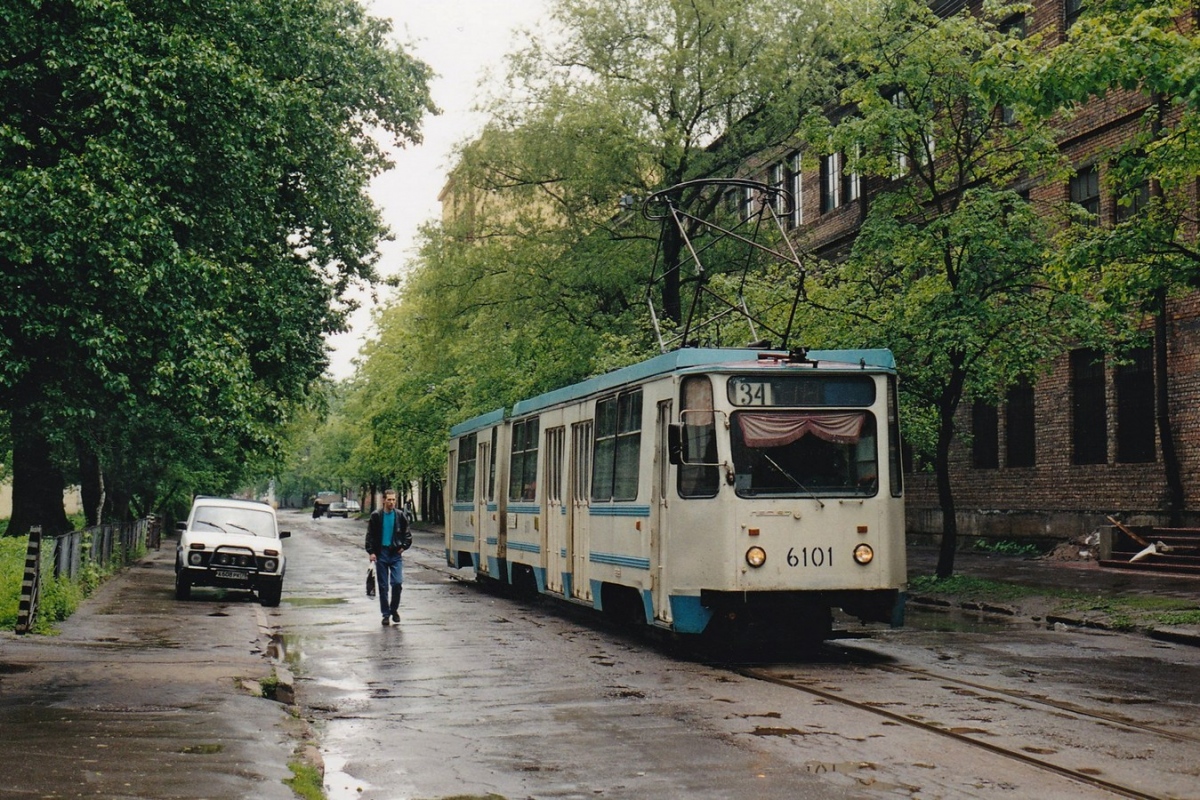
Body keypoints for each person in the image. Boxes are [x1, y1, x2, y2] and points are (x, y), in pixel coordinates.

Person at [364, 489, 411, 626]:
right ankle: (385, 614)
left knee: (397, 582)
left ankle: (394, 609)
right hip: (381, 554)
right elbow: (370, 535)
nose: (391, 502)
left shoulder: (400, 516)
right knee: (383, 586)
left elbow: (407, 534)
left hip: (395, 554)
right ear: (384, 500)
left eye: (393, 500)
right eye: (389, 499)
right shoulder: (376, 516)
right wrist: (371, 552)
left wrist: (403, 546)